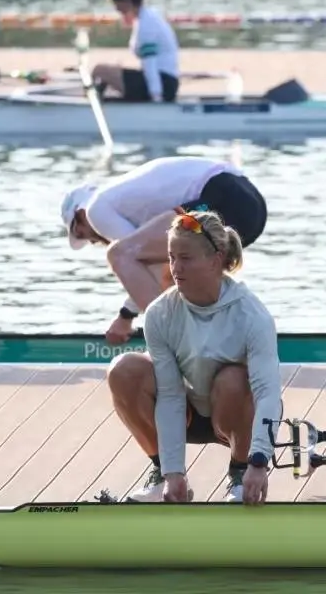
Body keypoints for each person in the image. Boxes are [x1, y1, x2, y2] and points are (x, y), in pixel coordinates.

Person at [105, 209, 283, 504]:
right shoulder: (160, 313)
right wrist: (175, 472)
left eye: (185, 258)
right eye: (172, 257)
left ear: (215, 260)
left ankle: (239, 475)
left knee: (233, 378)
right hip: (189, 413)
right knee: (124, 369)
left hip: (238, 413)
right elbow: (170, 395)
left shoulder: (252, 316)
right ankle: (162, 474)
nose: (175, 268)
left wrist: (259, 462)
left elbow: (268, 394)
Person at [61, 155, 267, 344]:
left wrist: (125, 317)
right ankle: (218, 334)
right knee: (182, 266)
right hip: (251, 204)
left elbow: (142, 265)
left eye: (80, 234)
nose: (90, 241)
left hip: (222, 199)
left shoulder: (95, 210)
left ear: (80, 214)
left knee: (119, 254)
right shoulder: (125, 198)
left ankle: (180, 346)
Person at [90, 0, 180, 103]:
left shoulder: (146, 24)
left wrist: (156, 97)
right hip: (164, 81)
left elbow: (150, 63)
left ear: (127, 2)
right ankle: (100, 101)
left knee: (100, 70)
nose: (115, 7)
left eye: (115, 3)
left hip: (162, 85)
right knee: (110, 70)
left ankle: (92, 104)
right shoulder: (147, 15)